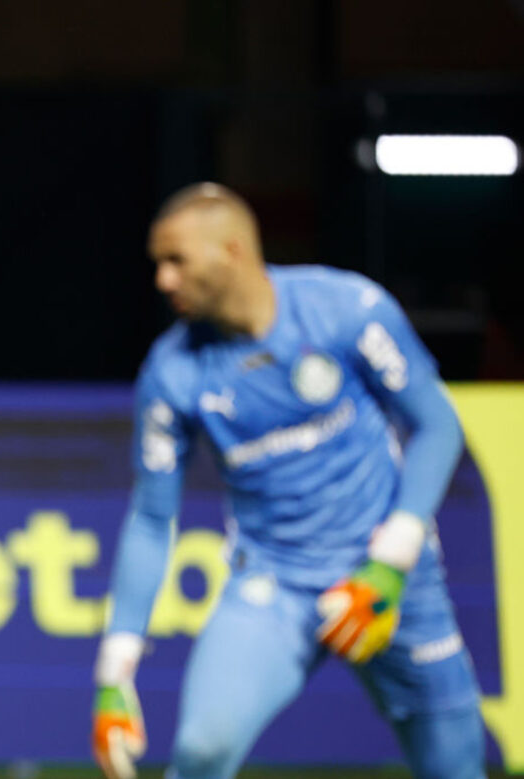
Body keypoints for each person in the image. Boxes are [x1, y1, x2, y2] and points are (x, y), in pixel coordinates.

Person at [92, 183, 484, 779]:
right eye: (158, 264)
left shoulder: (345, 308)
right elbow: (151, 518)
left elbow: (437, 426)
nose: (163, 280)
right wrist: (114, 671)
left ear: (231, 251)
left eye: (176, 261)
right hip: (275, 584)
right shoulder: (172, 373)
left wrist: (393, 560)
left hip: (389, 576)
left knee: (456, 769)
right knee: (200, 751)